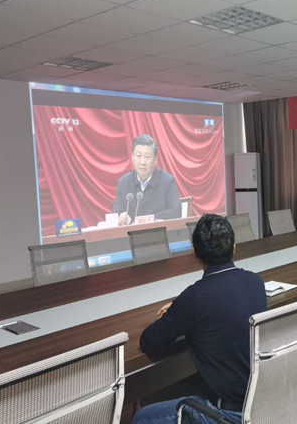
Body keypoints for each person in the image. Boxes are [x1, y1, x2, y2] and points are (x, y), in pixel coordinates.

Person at [133, 214, 266, 424]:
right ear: (234, 248)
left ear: (194, 252)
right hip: (260, 403)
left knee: (141, 418)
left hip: (224, 413)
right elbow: (223, 303)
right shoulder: (255, 282)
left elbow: (148, 342)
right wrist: (181, 307)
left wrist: (179, 309)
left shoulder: (194, 299)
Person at [113, 134, 181, 225]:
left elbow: (176, 211)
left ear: (155, 159)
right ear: (132, 157)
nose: (142, 162)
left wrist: (148, 219)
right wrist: (121, 216)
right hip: (130, 233)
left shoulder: (167, 181)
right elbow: (116, 212)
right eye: (138, 156)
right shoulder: (123, 183)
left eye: (147, 157)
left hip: (158, 232)